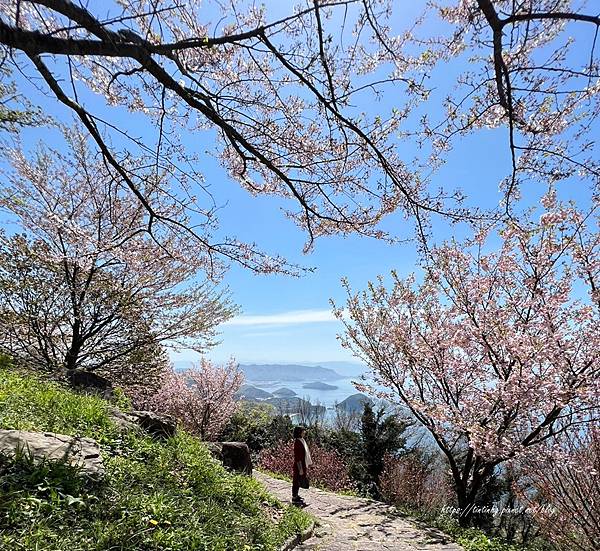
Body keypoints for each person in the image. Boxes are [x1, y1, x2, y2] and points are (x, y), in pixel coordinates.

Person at [292, 426, 312, 505]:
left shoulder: (302, 440)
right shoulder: (297, 442)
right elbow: (297, 457)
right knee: (296, 481)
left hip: (302, 465)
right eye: (303, 431)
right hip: (298, 465)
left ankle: (296, 495)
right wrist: (300, 469)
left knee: (299, 480)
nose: (305, 432)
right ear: (299, 432)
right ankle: (294, 498)